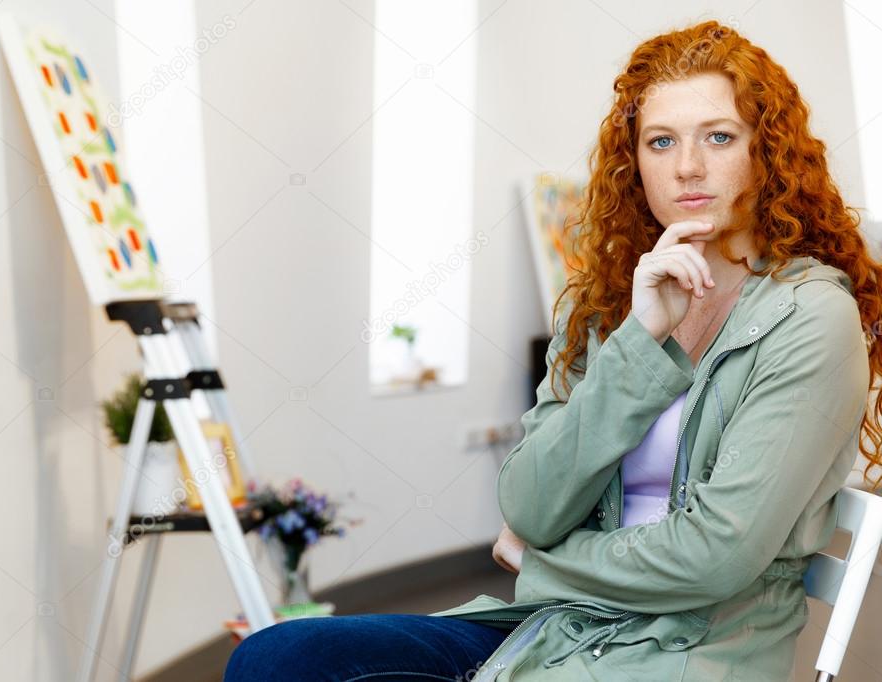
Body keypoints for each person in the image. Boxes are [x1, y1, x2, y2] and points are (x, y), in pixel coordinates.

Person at [224, 19, 882, 681]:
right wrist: (639, 336)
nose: (687, 166)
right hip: (553, 628)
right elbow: (531, 506)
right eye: (660, 141)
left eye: (718, 137)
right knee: (276, 657)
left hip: (684, 653)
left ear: (766, 152)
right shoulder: (605, 302)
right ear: (634, 163)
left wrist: (543, 561)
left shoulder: (808, 317)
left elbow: (716, 557)